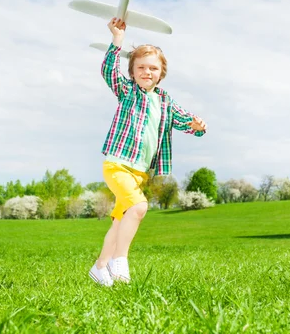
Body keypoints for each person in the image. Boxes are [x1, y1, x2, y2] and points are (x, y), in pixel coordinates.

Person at [88, 17, 207, 286]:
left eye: (153, 68)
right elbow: (109, 71)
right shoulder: (128, 92)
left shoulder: (165, 101)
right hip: (117, 164)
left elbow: (188, 122)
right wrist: (117, 39)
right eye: (140, 67)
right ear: (132, 72)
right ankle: (121, 261)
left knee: (120, 222)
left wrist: (197, 126)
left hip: (139, 172)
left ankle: (100, 266)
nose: (147, 72)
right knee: (139, 207)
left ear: (161, 73)